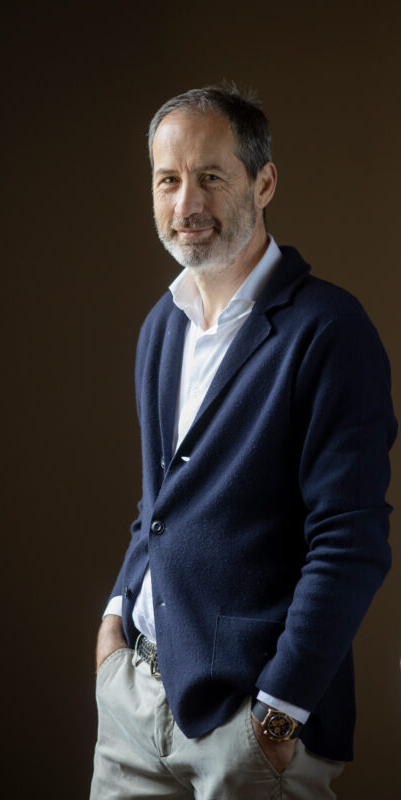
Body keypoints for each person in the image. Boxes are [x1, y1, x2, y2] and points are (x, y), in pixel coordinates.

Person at [90, 82, 397, 800]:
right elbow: (157, 507)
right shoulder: (158, 327)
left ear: (262, 182)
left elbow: (350, 540)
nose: (185, 204)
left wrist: (277, 715)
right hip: (133, 705)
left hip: (247, 727)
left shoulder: (328, 332)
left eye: (210, 177)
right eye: (167, 180)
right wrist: (112, 622)